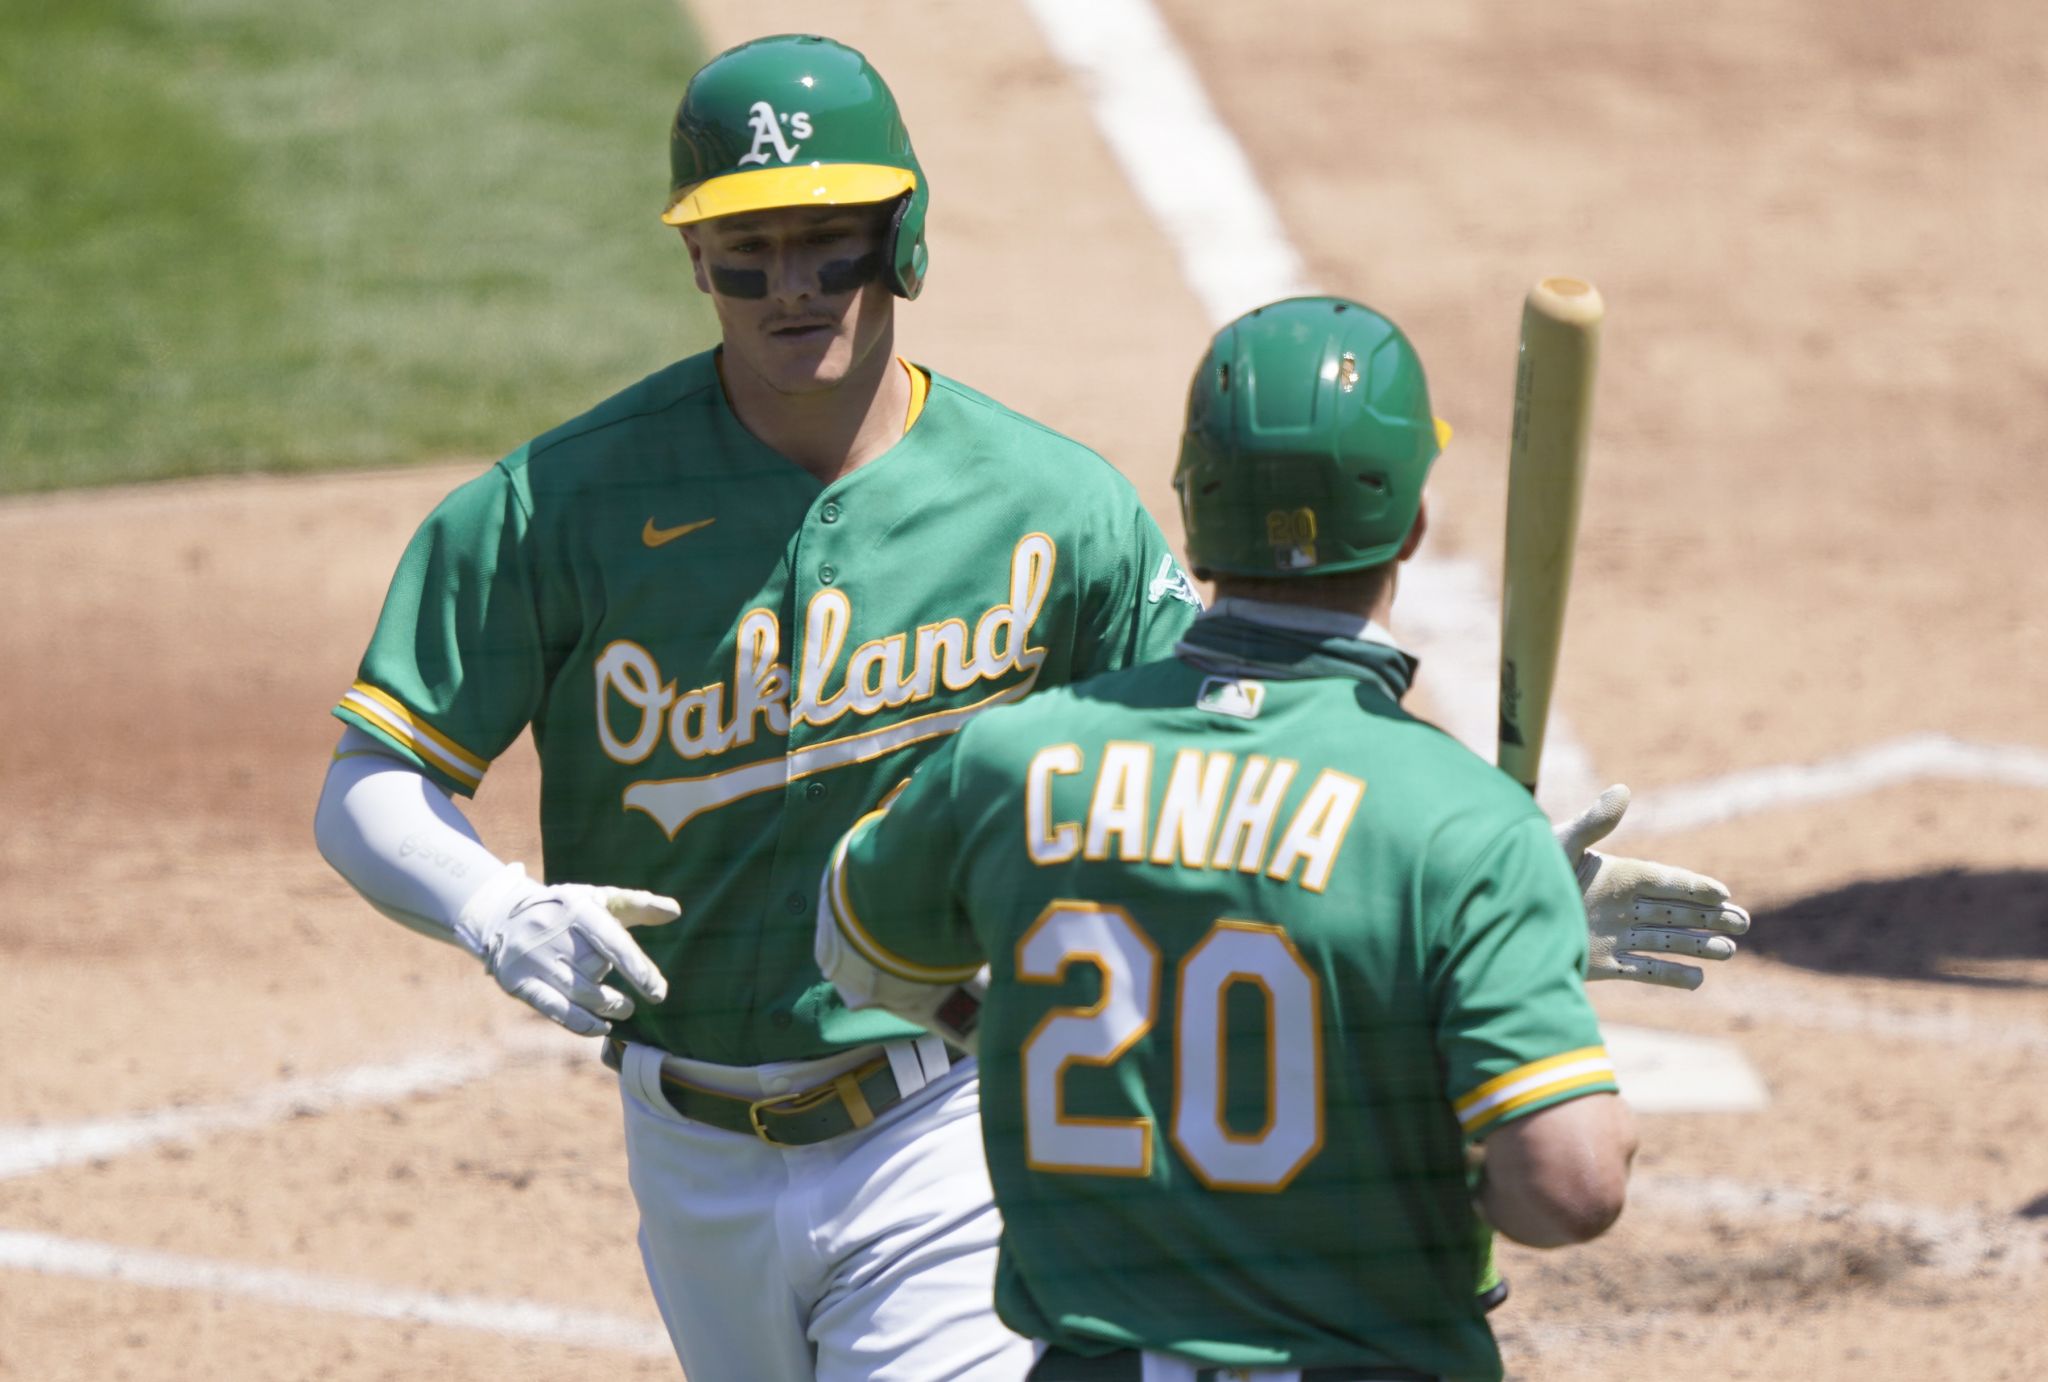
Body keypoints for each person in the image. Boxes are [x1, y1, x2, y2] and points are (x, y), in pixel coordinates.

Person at [313, 33, 1205, 1381]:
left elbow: (1229, 740)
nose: (791, 286)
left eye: (827, 244)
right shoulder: (560, 505)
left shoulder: (1054, 509)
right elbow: (366, 783)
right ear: (695, 264)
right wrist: (494, 910)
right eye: (747, 252)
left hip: (944, 1120)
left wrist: (1457, 864)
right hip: (685, 1146)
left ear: (898, 241)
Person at [815, 295, 1751, 1382]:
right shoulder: (1459, 826)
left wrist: (1004, 1027)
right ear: (1408, 523)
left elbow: (853, 943)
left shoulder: (1012, 760)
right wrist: (1493, 958)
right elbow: (1567, 1185)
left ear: (1192, 506)